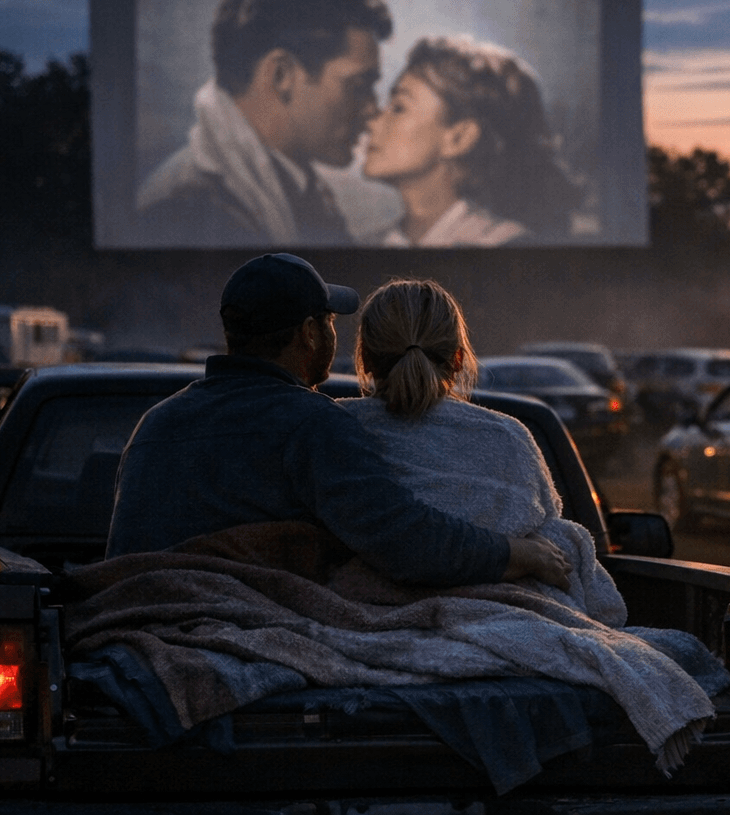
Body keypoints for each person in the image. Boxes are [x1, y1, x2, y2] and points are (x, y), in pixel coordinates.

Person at [106, 253, 570, 591]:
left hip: (134, 619)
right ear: (309, 333)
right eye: (329, 319)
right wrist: (517, 552)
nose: (334, 331)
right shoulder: (312, 423)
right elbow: (404, 541)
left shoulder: (155, 423)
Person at [338, 277, 625, 624]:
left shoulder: (331, 427)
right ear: (458, 359)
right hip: (520, 626)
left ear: (365, 358)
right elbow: (553, 539)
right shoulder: (509, 436)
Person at [136, 0, 394, 247]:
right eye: (359, 86)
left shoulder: (299, 187)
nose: (373, 109)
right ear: (282, 75)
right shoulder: (183, 206)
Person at [362, 36, 583, 246]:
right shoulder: (371, 243)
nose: (373, 122)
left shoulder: (504, 246)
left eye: (399, 108)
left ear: (459, 138)